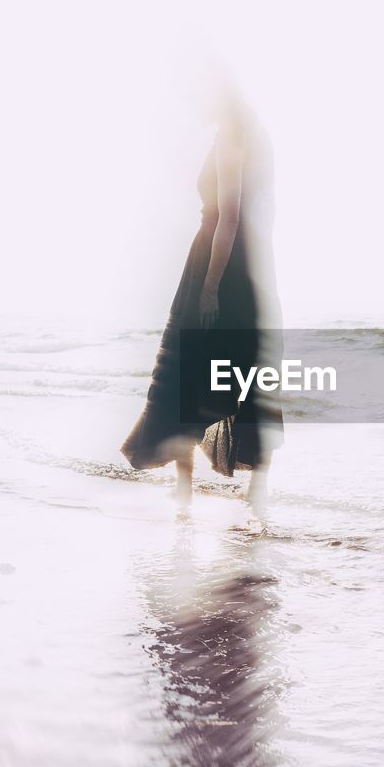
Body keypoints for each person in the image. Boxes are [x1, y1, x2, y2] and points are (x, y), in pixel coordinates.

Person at [121, 62, 282, 514]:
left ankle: (187, 489)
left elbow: (227, 217)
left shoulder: (233, 135)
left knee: (188, 371)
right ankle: (254, 487)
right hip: (245, 267)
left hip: (217, 264)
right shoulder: (247, 132)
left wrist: (210, 286)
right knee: (248, 373)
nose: (191, 105)